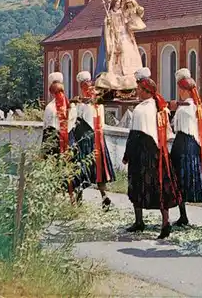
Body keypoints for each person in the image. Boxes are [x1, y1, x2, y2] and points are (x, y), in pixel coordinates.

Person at [122, 67, 182, 239]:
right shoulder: (161, 107)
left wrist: (127, 156)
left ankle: (139, 220)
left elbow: (134, 136)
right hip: (160, 151)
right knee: (161, 185)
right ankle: (165, 221)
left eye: (139, 89)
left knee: (137, 184)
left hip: (143, 151)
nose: (137, 92)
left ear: (145, 90)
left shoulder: (140, 110)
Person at [170, 68, 202, 230]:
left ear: (184, 90)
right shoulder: (201, 107)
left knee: (179, 178)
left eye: (180, 89)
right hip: (197, 146)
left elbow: (175, 127)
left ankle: (183, 215)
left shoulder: (183, 110)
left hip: (183, 145)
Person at [73, 70, 116, 210]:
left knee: (80, 167)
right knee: (99, 169)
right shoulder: (99, 100)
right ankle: (104, 196)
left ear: (81, 84)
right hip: (98, 137)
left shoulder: (82, 103)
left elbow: (76, 120)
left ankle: (78, 201)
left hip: (84, 138)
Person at [96, 0, 146, 90]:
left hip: (125, 35)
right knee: (117, 54)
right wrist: (108, 23)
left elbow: (132, 13)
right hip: (115, 36)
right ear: (113, 2)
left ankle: (130, 74)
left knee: (128, 52)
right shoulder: (109, 15)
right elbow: (107, 27)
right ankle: (117, 75)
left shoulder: (123, 12)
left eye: (119, 1)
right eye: (116, 1)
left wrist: (131, 2)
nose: (118, 3)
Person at [42, 72, 78, 203]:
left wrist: (43, 151)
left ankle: (52, 201)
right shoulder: (71, 106)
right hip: (70, 141)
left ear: (51, 90)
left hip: (55, 143)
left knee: (53, 171)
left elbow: (48, 131)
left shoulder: (50, 108)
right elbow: (73, 127)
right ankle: (73, 200)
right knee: (70, 170)